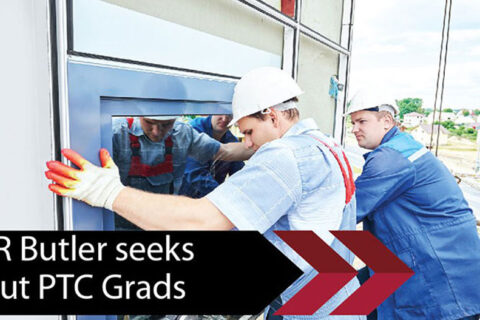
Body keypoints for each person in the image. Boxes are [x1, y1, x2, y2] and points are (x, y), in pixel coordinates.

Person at [46, 67, 363, 319]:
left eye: (249, 132)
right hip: (337, 298)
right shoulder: (328, 146)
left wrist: (108, 193)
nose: (248, 144)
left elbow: (203, 220)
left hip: (305, 308)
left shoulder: (285, 156)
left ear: (272, 113)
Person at [346, 97, 480, 320]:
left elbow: (348, 210)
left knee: (343, 304)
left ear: (387, 121)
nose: (354, 129)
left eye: (362, 121)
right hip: (443, 262)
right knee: (351, 304)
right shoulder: (403, 147)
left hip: (439, 270)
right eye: (352, 123)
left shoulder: (391, 158)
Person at [112, 115, 251, 230]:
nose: (156, 131)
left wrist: (266, 145)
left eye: (166, 124)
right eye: (149, 123)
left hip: (165, 224)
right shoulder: (116, 133)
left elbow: (225, 151)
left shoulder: (182, 134)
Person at [179, 114, 244, 198]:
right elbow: (195, 175)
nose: (224, 119)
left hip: (212, 198)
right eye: (220, 112)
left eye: (230, 115)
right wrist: (224, 198)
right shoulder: (193, 132)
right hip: (185, 199)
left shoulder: (231, 140)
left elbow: (239, 174)